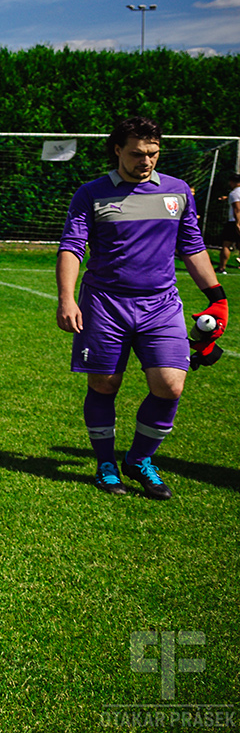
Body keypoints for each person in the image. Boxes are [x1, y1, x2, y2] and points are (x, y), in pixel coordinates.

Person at [56, 117, 227, 499]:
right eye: (136, 154)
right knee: (104, 383)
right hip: (104, 304)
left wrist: (217, 296)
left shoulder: (178, 191)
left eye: (152, 153)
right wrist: (67, 298)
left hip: (162, 305)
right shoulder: (92, 193)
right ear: (117, 150)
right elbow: (72, 246)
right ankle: (105, 463)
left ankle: (139, 459)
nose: (145, 161)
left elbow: (192, 246)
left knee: (170, 385)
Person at [217, 173, 240, 275]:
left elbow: (237, 209)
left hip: (234, 221)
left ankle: (222, 267)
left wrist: (238, 223)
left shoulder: (234, 193)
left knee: (226, 244)